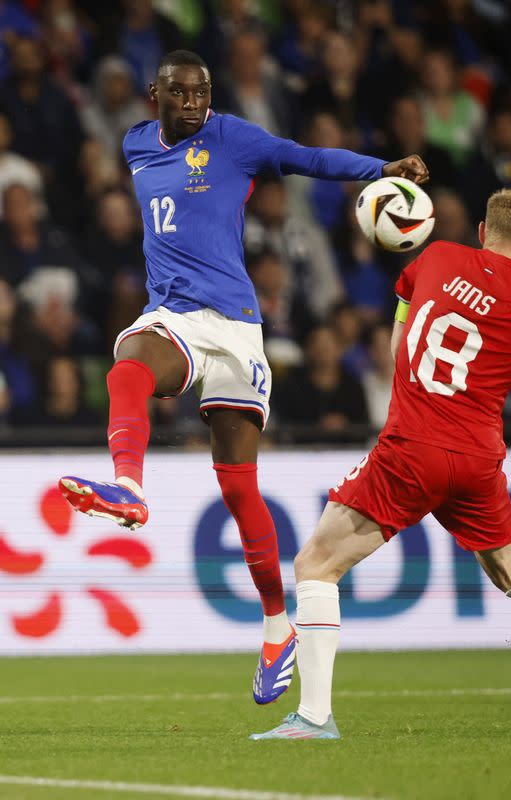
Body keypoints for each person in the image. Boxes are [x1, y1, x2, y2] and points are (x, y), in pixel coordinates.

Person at [57, 49, 428, 707]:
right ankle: (128, 486)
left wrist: (381, 168)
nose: (197, 103)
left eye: (203, 92)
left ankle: (276, 627)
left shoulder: (232, 137)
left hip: (238, 326)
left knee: (237, 486)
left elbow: (306, 157)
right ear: (155, 95)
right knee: (130, 366)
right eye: (183, 93)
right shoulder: (136, 144)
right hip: (178, 315)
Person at [249, 188, 511, 740]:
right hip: (477, 462)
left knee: (316, 565)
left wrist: (404, 366)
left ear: (481, 231)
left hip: (412, 447)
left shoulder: (437, 257)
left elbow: (403, 317)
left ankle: (313, 718)